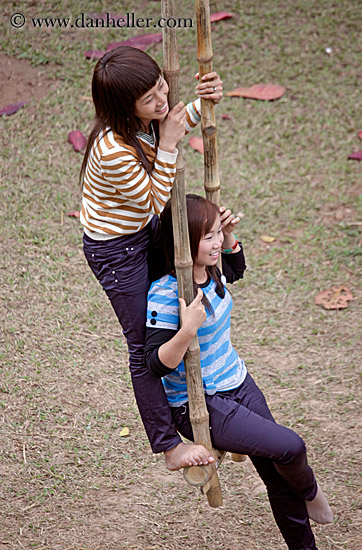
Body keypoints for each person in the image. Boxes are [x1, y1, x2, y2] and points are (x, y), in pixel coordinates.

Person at [145, 194, 333, 550]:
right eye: (209, 237)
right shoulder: (166, 294)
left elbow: (237, 269)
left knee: (277, 479)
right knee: (291, 447)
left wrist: (228, 236)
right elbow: (155, 364)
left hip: (239, 382)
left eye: (218, 233)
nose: (217, 244)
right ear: (181, 242)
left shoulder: (210, 267)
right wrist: (186, 331)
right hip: (201, 402)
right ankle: (310, 492)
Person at [79, 45, 223, 461]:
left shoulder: (142, 121)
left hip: (142, 232)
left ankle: (217, 400)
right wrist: (172, 144)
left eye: (162, 88)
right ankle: (168, 446)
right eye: (150, 99)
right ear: (126, 107)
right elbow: (153, 199)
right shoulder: (111, 150)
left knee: (187, 297)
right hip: (116, 251)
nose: (162, 101)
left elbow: (174, 120)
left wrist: (206, 99)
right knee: (142, 346)